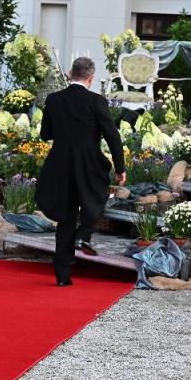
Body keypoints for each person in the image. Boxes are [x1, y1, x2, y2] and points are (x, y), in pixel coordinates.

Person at [36, 56, 126, 287]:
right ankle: (83, 234)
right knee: (98, 196)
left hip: (60, 162)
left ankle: (62, 276)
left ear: (70, 74)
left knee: (65, 217)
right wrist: (120, 167)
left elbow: (45, 134)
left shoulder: (54, 100)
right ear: (91, 77)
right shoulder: (96, 101)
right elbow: (112, 135)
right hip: (88, 162)